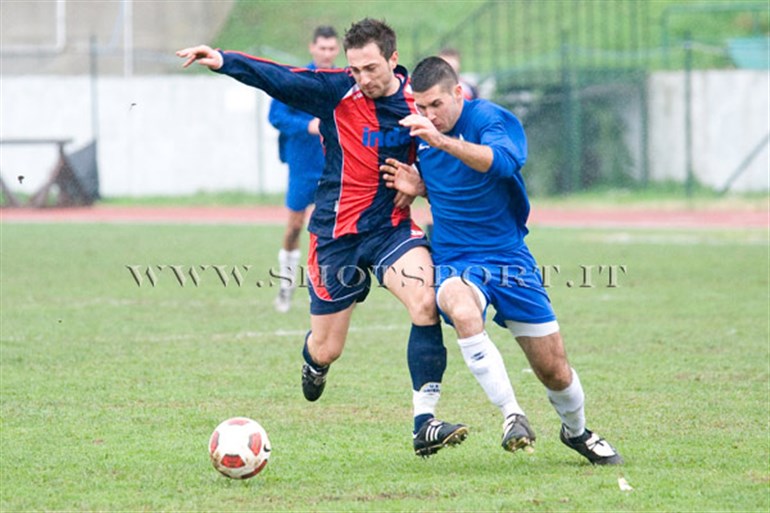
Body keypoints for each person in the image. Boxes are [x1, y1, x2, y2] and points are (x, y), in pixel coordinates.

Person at [176, 19, 468, 457]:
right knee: (328, 347)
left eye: (371, 68)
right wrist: (224, 60)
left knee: (426, 302)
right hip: (335, 235)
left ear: (394, 59)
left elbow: (452, 156)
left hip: (391, 228)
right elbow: (279, 77)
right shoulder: (337, 92)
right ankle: (313, 363)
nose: (363, 79)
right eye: (355, 70)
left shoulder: (419, 102)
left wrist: (421, 183)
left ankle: (423, 423)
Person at [380, 56, 623, 465]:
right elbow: (442, 182)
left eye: (436, 105)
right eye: (420, 107)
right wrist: (419, 186)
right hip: (457, 259)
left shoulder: (491, 119)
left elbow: (502, 163)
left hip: (511, 259)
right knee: (459, 305)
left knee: (555, 371)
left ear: (458, 92)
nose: (428, 115)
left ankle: (577, 432)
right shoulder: (418, 132)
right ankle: (513, 416)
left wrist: (440, 143)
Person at [269, 26, 339, 313]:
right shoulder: (296, 79)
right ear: (312, 48)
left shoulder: (342, 81)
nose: (326, 53)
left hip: (334, 168)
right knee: (295, 226)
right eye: (321, 48)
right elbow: (276, 116)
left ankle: (337, 290)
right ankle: (286, 285)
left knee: (336, 231)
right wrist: (307, 126)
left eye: (332, 48)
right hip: (302, 166)